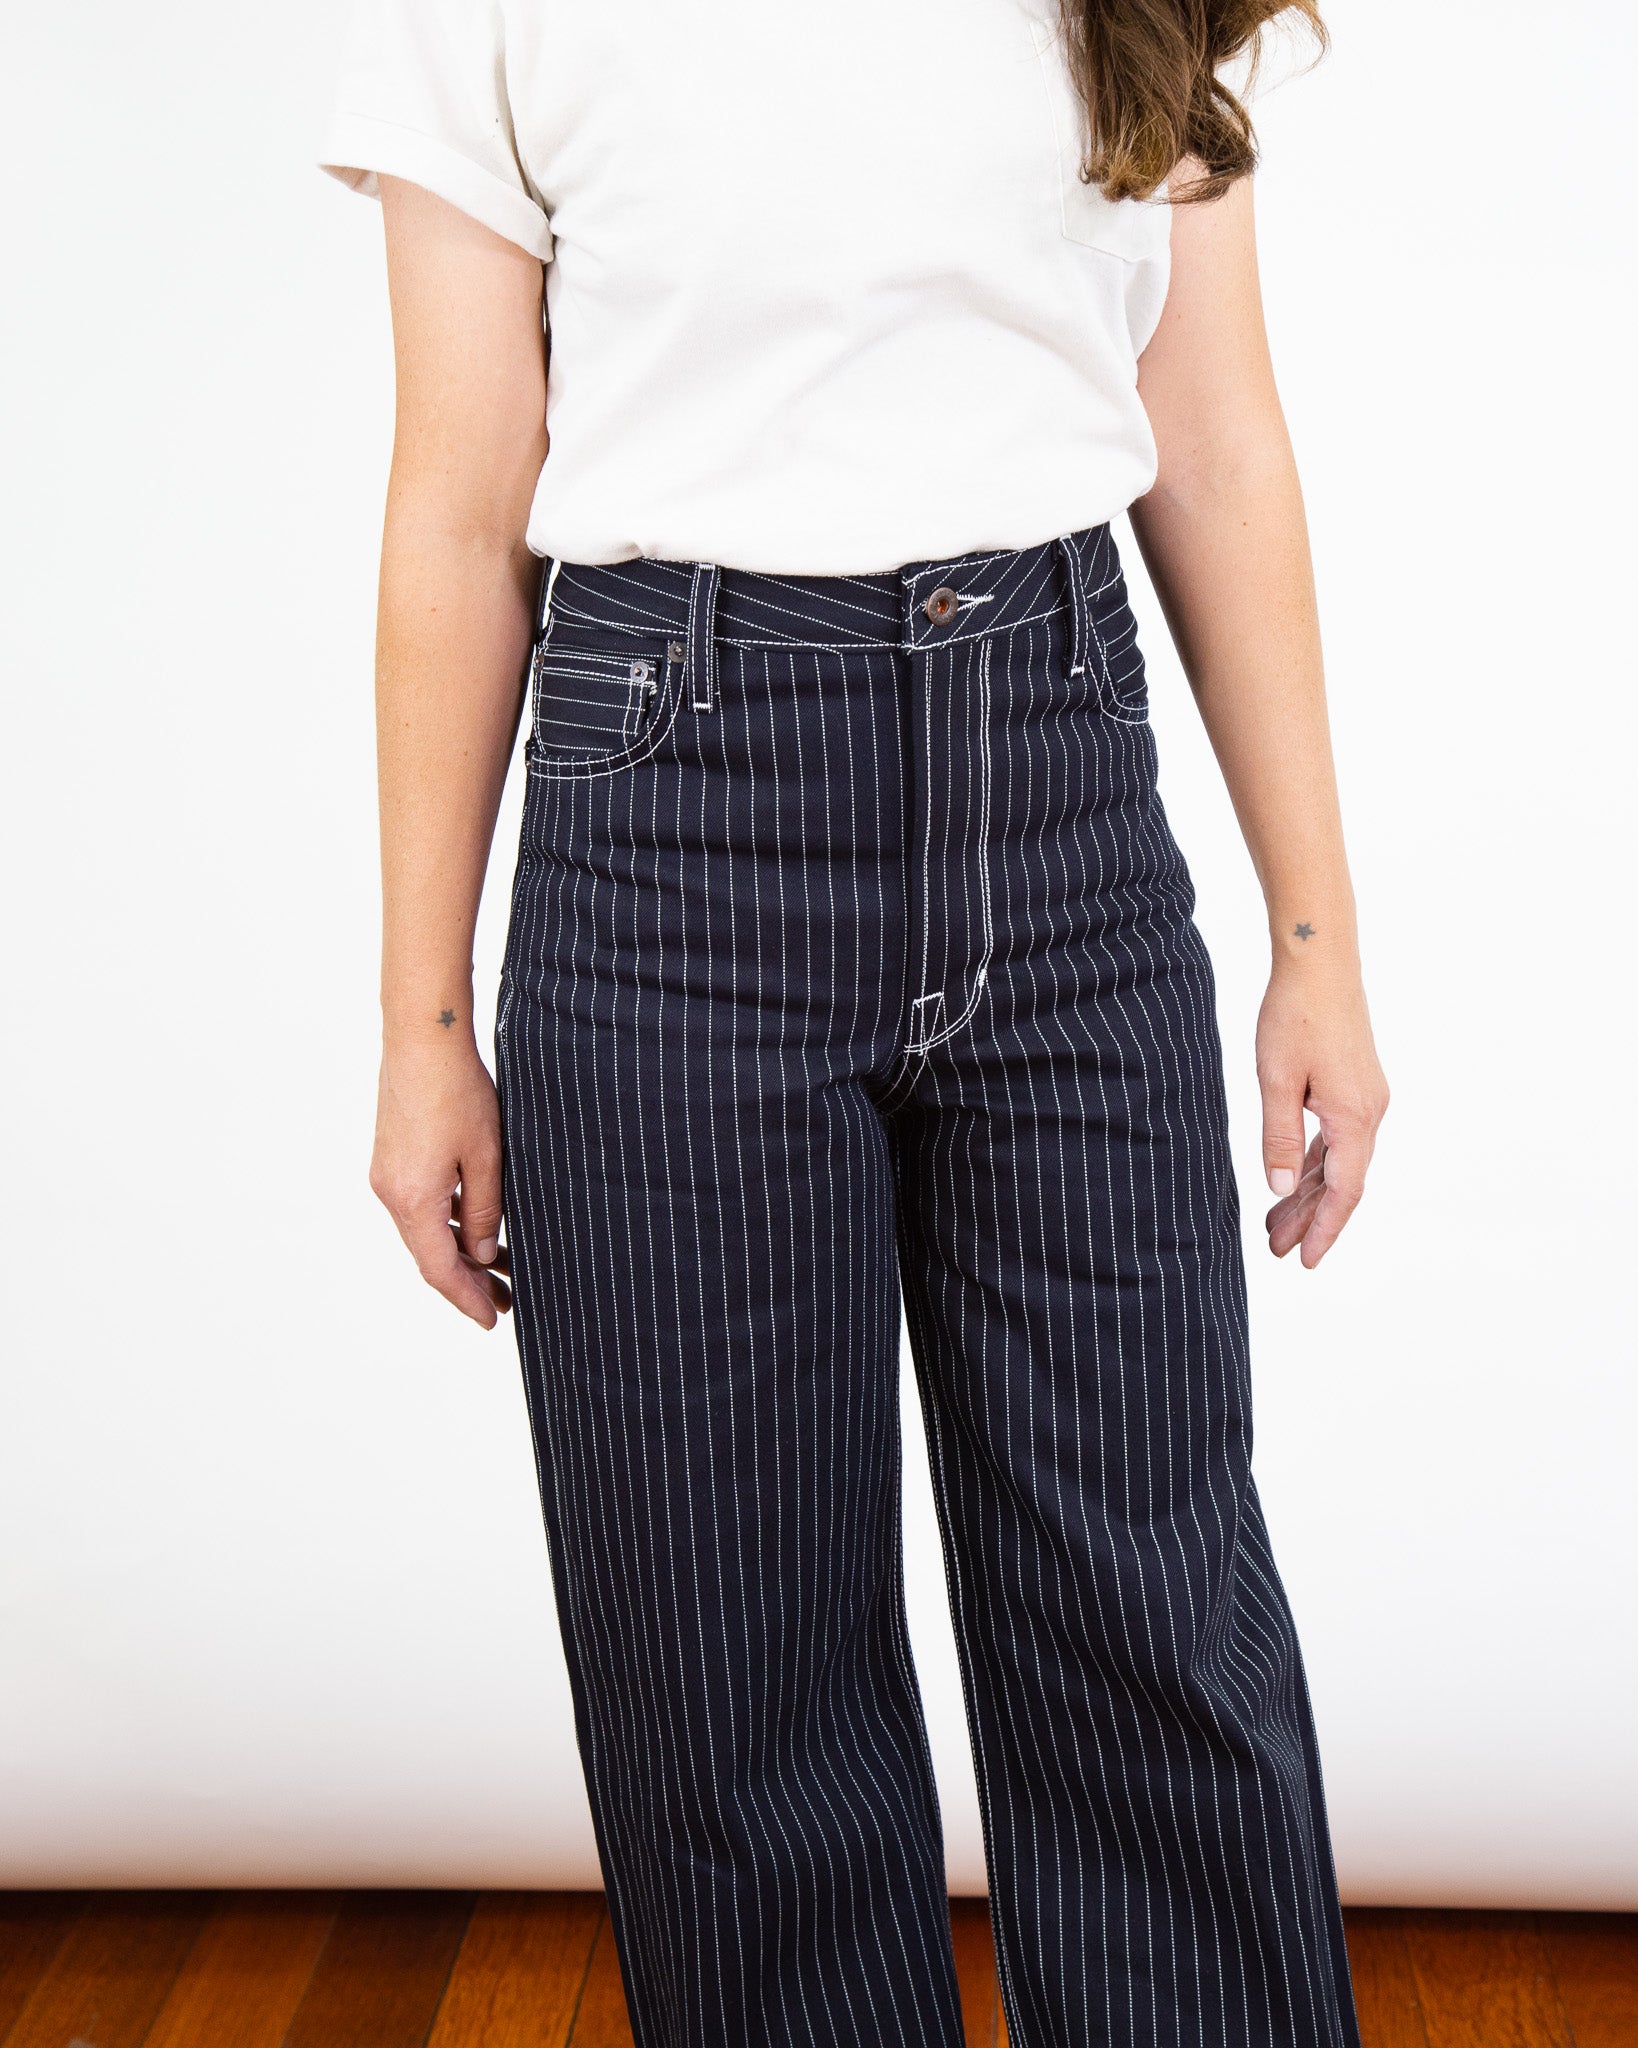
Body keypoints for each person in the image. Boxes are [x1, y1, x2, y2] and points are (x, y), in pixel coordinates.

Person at [320, 1, 1387, 2041]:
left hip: (1062, 788)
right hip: (677, 817)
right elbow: (459, 510)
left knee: (1157, 1634)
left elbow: (1221, 441)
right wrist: (421, 1019)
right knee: (734, 1693)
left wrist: (1316, 935)